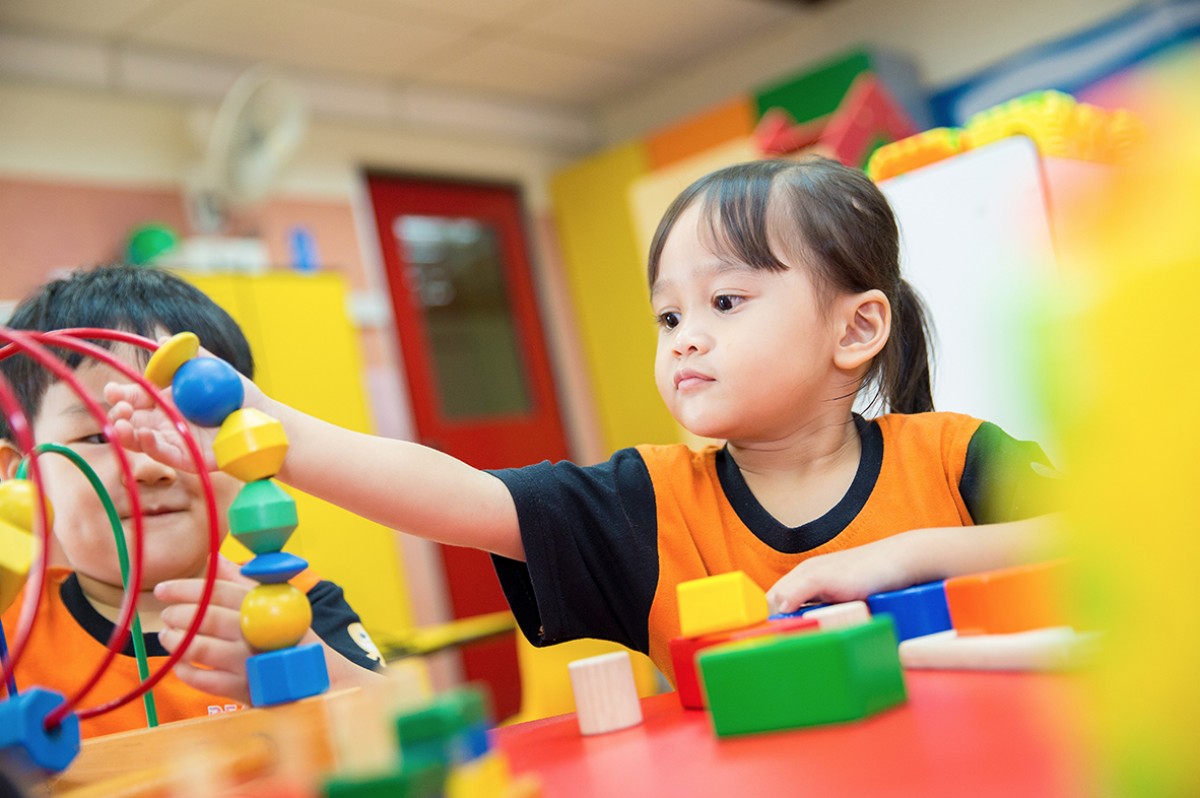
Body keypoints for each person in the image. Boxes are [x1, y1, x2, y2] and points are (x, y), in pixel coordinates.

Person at [108, 157, 1060, 682]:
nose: (685, 338)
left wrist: (902, 558)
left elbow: (1116, 537)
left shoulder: (955, 456)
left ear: (856, 328)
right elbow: (457, 497)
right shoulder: (645, 503)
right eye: (669, 316)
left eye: (725, 303)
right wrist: (269, 419)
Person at [0, 265, 385, 738]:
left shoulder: (296, 604)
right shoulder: (10, 635)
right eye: (99, 435)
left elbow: (395, 731)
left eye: (184, 425)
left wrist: (303, 663)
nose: (149, 465)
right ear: (21, 473)